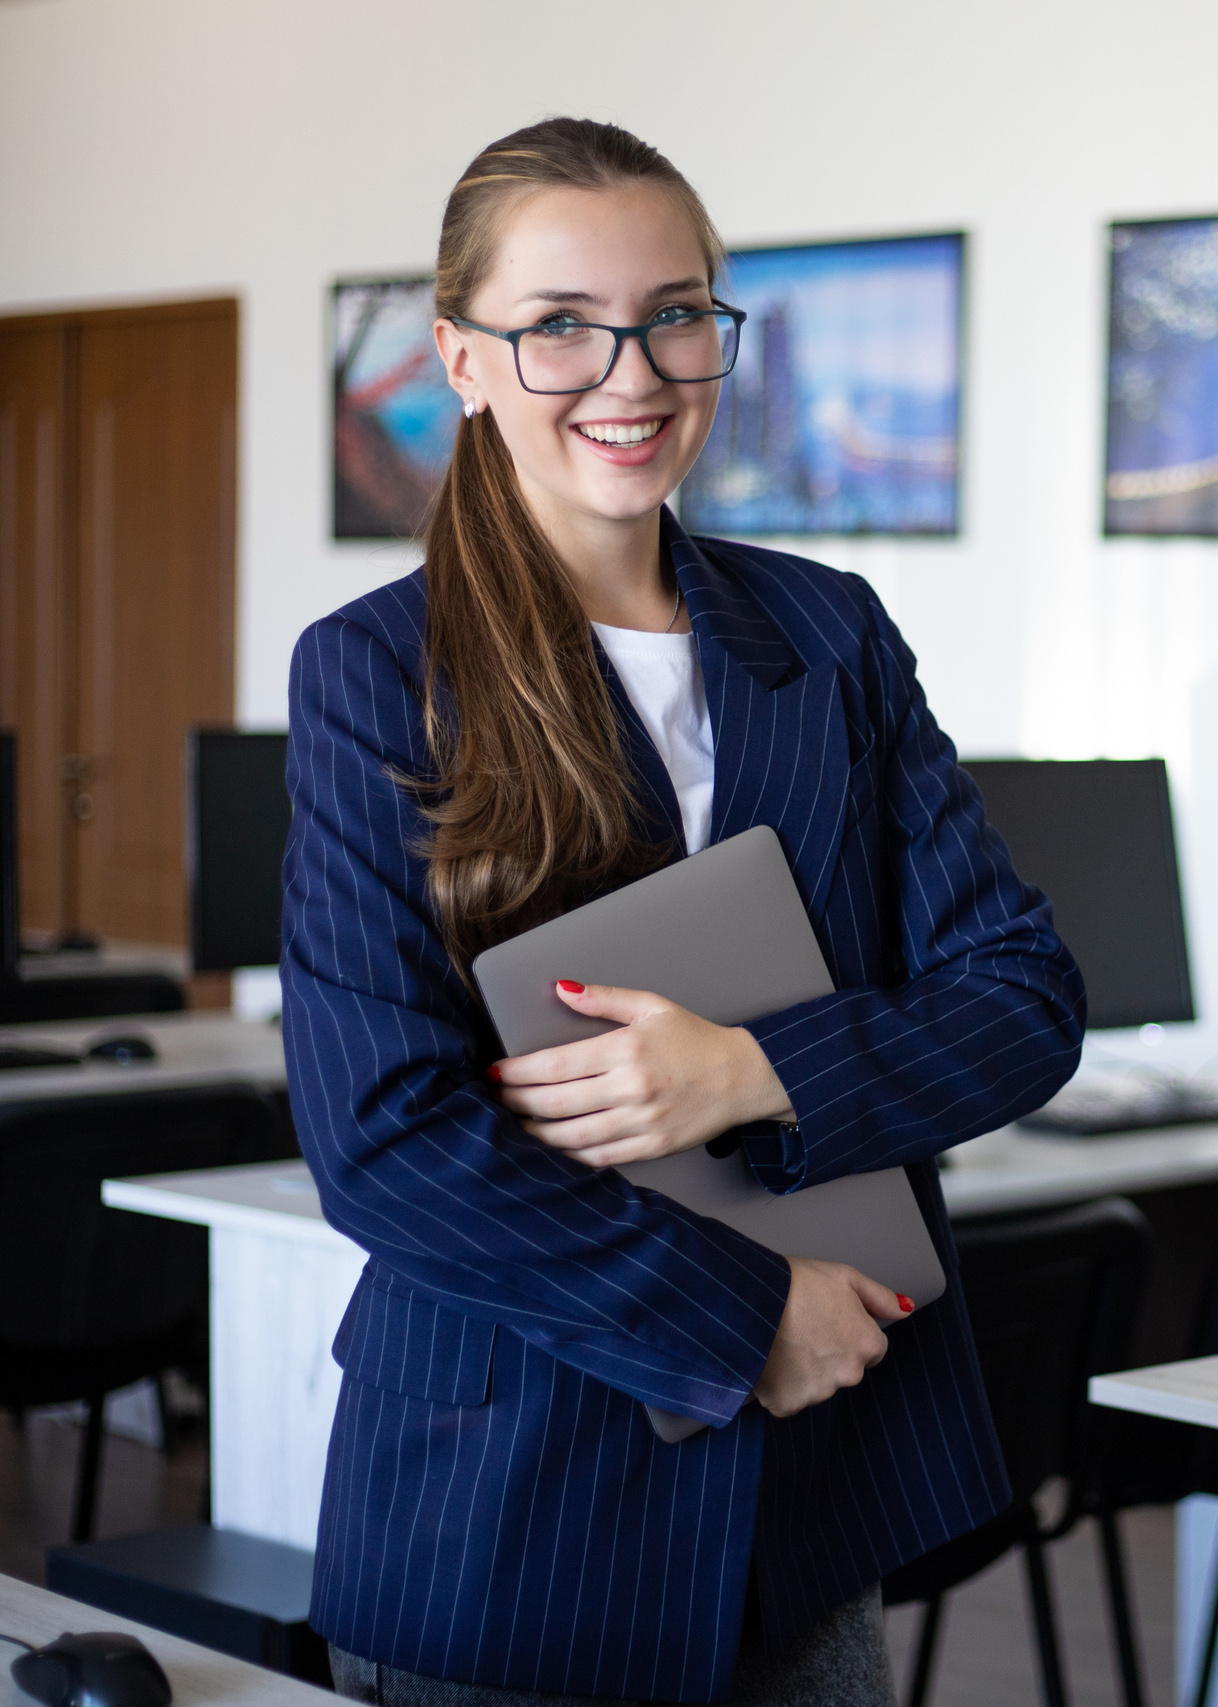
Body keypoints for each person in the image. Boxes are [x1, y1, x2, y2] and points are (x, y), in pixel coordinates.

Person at [283, 117, 1083, 1706]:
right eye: (560, 326)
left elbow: (1024, 994)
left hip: (808, 1502)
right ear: (461, 357)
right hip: (514, 1503)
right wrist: (742, 1317)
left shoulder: (828, 633)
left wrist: (756, 1072)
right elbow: (383, 1139)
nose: (632, 374)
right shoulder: (377, 673)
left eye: (675, 314)